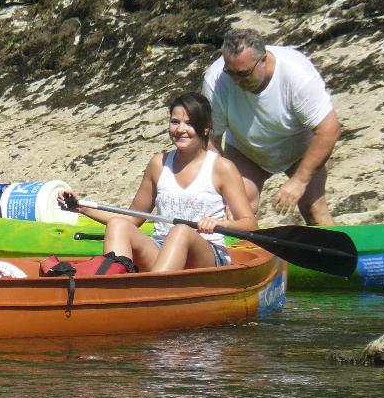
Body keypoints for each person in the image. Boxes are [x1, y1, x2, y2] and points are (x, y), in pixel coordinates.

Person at [58, 92, 257, 272]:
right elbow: (132, 219)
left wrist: (220, 223)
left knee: (181, 231)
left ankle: (152, 290)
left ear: (205, 128)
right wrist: (81, 207)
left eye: (189, 123)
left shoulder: (222, 167)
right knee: (118, 225)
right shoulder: (158, 164)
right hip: (160, 250)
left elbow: (249, 224)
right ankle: (114, 287)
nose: (180, 129)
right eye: (175, 122)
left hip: (206, 255)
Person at [201, 29, 341, 226]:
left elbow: (329, 129)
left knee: (314, 207)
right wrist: (220, 182)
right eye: (230, 73)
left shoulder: (295, 72)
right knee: (234, 212)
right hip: (246, 151)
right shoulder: (216, 80)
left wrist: (299, 181)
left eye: (244, 74)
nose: (236, 81)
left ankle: (338, 248)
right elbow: (211, 140)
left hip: (299, 149)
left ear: (264, 60)